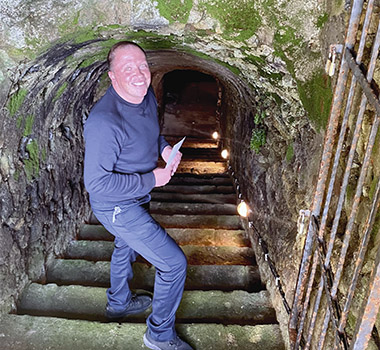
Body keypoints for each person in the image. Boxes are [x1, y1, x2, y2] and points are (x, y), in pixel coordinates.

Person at [83, 41, 193, 350]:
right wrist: (152, 178)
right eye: (128, 68)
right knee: (172, 264)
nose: (139, 74)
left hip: (138, 194)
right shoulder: (104, 122)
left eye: (142, 66)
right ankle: (158, 334)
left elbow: (151, 133)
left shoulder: (145, 96)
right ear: (112, 76)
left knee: (125, 246)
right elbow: (97, 184)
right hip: (116, 205)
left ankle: (118, 303)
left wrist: (165, 148)